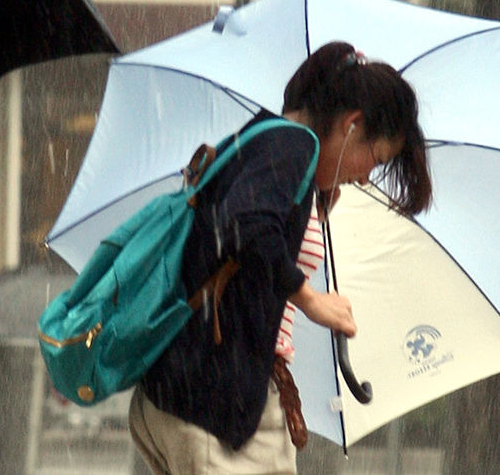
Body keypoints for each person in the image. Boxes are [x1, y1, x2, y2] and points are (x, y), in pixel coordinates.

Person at [128, 41, 432, 474]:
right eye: (375, 158)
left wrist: (310, 202)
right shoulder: (292, 146)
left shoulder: (263, 142)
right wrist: (310, 298)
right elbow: (245, 224)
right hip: (218, 401)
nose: (366, 176)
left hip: (185, 392)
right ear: (351, 124)